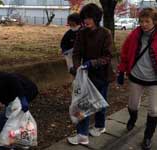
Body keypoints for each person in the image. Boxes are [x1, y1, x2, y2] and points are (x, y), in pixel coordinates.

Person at [67, 3, 113, 145]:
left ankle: (100, 126)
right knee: (84, 104)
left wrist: (92, 63)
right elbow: (76, 53)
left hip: (102, 75)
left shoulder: (106, 33)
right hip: (86, 76)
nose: (86, 21)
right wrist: (76, 67)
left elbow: (107, 56)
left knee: (100, 103)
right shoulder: (81, 33)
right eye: (84, 18)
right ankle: (82, 134)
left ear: (96, 18)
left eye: (89, 18)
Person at [117, 8, 157, 150]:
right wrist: (121, 71)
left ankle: (147, 136)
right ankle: (132, 118)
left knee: (154, 110)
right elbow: (125, 52)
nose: (144, 24)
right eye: (141, 21)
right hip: (136, 75)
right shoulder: (135, 34)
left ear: (155, 22)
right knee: (133, 105)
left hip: (154, 80)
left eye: (147, 21)